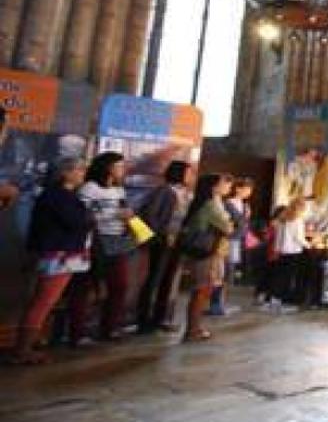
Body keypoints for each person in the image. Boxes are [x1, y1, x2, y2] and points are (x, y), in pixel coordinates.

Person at [9, 158, 94, 363]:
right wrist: (89, 218)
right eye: (79, 169)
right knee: (43, 302)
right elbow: (76, 222)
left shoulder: (54, 196)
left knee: (44, 301)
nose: (83, 173)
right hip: (58, 256)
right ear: (65, 173)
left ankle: (30, 343)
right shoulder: (59, 197)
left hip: (55, 254)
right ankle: (23, 350)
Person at [79, 152, 136, 341]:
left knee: (120, 285)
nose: (123, 170)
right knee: (89, 286)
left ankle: (110, 327)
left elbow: (123, 211)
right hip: (97, 239)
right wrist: (112, 216)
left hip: (118, 238)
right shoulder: (90, 188)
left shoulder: (120, 190)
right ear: (107, 167)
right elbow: (82, 216)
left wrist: (129, 218)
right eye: (119, 166)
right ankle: (80, 331)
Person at [135, 161, 192, 332]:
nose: (190, 176)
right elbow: (151, 215)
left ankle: (161, 318)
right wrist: (163, 233)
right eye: (188, 173)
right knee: (155, 278)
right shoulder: (164, 190)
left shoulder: (183, 193)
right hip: (163, 241)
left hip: (177, 242)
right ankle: (144, 319)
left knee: (168, 280)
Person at [181, 173, 234, 342]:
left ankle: (194, 328)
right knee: (202, 290)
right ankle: (192, 330)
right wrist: (228, 224)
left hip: (203, 250)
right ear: (213, 187)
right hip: (205, 251)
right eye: (223, 183)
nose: (227, 186)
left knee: (203, 289)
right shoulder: (211, 205)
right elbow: (228, 227)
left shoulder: (207, 203)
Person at [210, 177, 254, 315]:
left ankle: (221, 302)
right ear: (237, 189)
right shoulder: (228, 203)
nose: (248, 192)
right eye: (246, 189)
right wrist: (244, 218)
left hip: (237, 240)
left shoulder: (244, 205)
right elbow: (231, 222)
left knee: (230, 271)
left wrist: (246, 217)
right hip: (228, 240)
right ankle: (216, 304)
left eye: (250, 190)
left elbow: (243, 224)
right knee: (222, 271)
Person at [270, 198, 310, 309]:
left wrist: (277, 248)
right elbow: (298, 238)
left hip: (282, 251)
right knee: (288, 276)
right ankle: (284, 298)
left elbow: (277, 232)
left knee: (280, 275)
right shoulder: (297, 220)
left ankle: (276, 298)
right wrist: (309, 245)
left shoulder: (283, 218)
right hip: (293, 251)